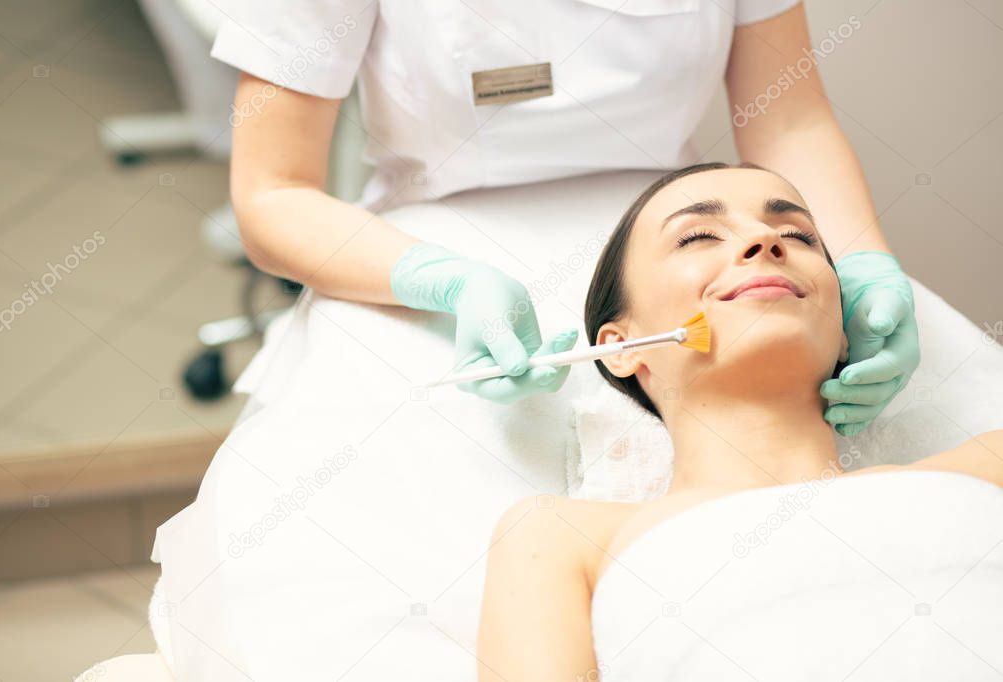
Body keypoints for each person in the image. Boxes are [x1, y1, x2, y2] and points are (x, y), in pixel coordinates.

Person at [210, 1, 918, 433]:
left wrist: (859, 262)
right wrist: (440, 281)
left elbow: (788, 120)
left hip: (674, 231)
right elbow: (272, 194)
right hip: (423, 246)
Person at [475, 163, 1002, 680]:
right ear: (620, 348)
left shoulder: (988, 465)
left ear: (848, 329)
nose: (765, 242)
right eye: (698, 236)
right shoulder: (562, 539)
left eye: (797, 235)